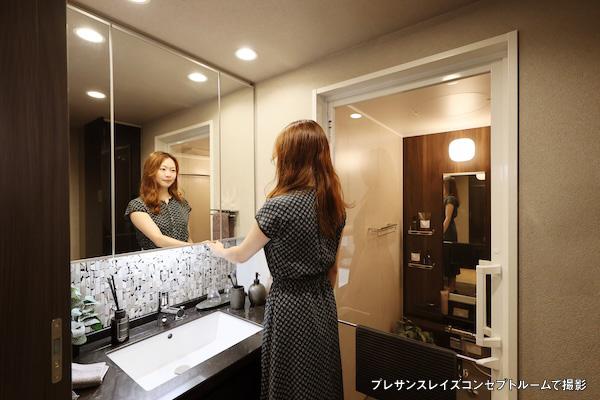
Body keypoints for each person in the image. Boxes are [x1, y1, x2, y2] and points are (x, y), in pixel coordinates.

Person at [208, 120, 347, 400]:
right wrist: (316, 294)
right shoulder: (333, 205)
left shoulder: (278, 207)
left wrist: (219, 250)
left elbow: (241, 254)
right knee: (320, 378)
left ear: (289, 158)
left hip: (288, 305)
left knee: (289, 382)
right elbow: (333, 270)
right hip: (323, 302)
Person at [125, 151, 193, 249]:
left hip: (184, 257)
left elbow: (188, 238)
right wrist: (197, 246)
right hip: (155, 258)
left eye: (173, 170)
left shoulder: (182, 203)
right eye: (163, 169)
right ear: (150, 172)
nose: (168, 174)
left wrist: (194, 250)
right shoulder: (138, 205)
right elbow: (159, 240)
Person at [442, 176, 460, 291]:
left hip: (448, 232)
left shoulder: (450, 199)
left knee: (449, 257)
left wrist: (440, 233)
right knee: (448, 258)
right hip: (449, 230)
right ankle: (450, 286)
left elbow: (447, 218)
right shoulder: (448, 198)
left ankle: (451, 287)